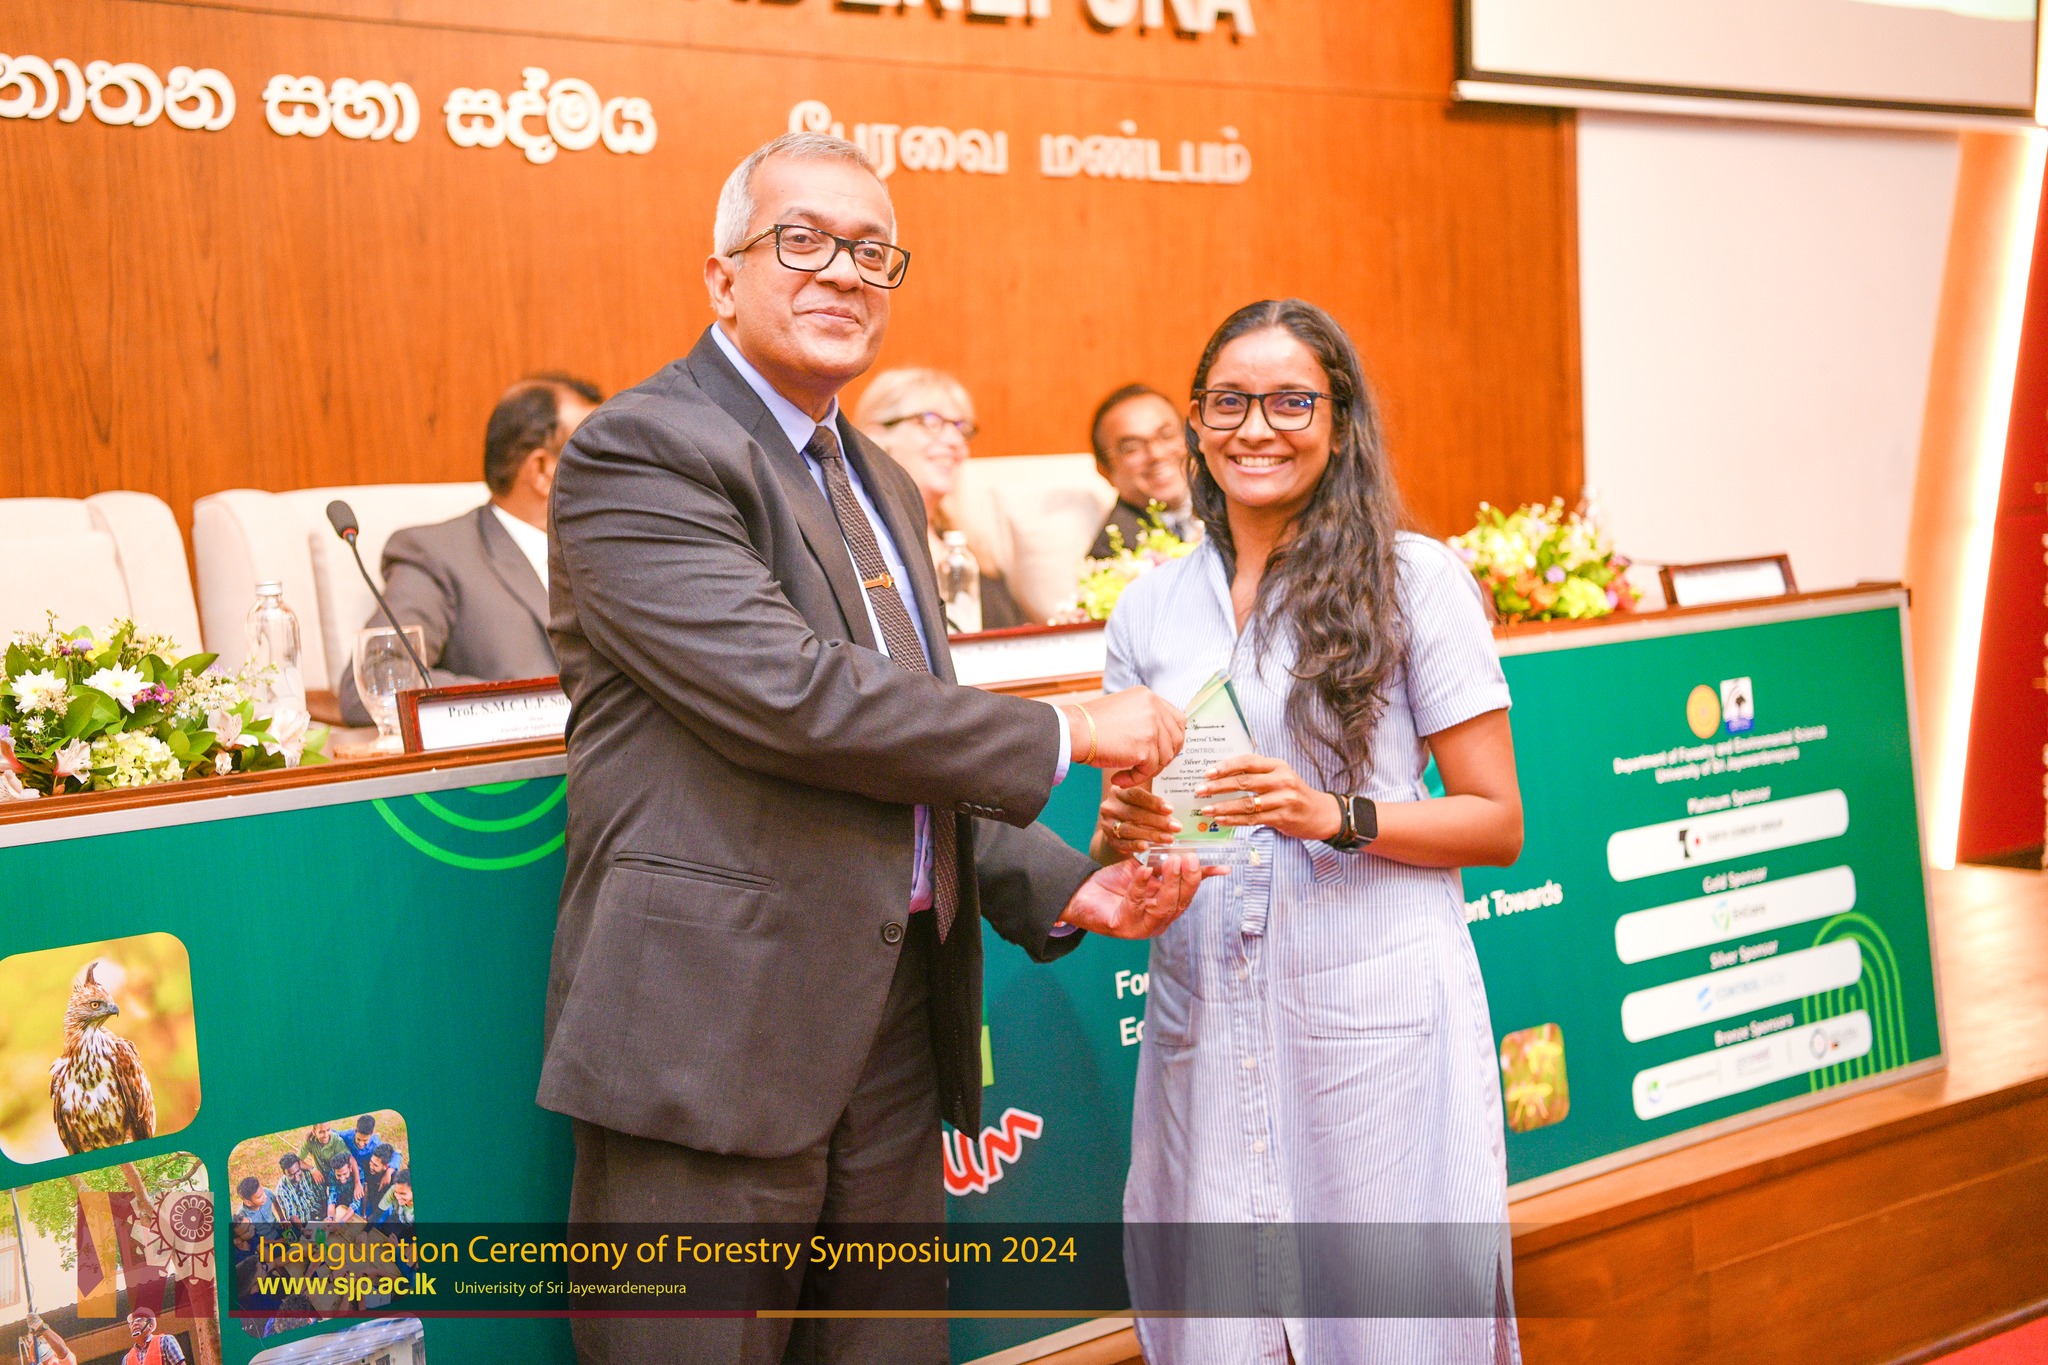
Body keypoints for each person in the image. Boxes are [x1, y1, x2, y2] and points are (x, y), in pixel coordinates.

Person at [539, 130, 1215, 1365]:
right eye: (801, 241)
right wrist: (1065, 728)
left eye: (871, 251)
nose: (843, 272)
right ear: (720, 276)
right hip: (714, 1034)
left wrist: (1065, 883)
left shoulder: (880, 484)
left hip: (894, 1024)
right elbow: (790, 698)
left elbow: (905, 741)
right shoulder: (641, 450)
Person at [1094, 300, 1524, 1363]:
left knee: (1391, 1328)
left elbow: (1495, 820)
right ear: (1196, 421)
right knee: (1221, 1330)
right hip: (1207, 1010)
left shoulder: (1413, 579)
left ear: (1338, 422)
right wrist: (1125, 831)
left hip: (1369, 1013)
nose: (1257, 428)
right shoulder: (1148, 610)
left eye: (1291, 402)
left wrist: (1333, 815)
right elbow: (1136, 836)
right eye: (1229, 402)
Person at [338, 374, 601, 724]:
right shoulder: (437, 554)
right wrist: (529, 706)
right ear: (541, 470)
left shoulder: (618, 550)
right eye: (596, 453)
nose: (619, 470)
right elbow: (376, 687)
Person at [852, 367, 1027, 630]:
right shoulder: (861, 545)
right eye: (931, 422)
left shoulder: (972, 548)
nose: (955, 441)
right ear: (876, 437)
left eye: (961, 427)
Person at [1086, 382, 1199, 559]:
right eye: (1132, 448)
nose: (1156, 455)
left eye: (1167, 435)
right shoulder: (1111, 557)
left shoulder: (1233, 503)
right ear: (1105, 471)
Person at [272, 1152, 324, 1226]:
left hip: (321, 1214)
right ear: (284, 1173)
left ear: (300, 1166)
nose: (296, 1178)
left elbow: (322, 1196)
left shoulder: (308, 1174)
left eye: (298, 1171)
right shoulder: (281, 1190)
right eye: (291, 1175)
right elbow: (291, 1215)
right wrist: (303, 1230)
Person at [120, 1308, 186, 1365]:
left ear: (150, 1324)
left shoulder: (165, 1341)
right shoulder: (126, 1359)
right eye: (132, 1322)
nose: (135, 1323)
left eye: (139, 1319)